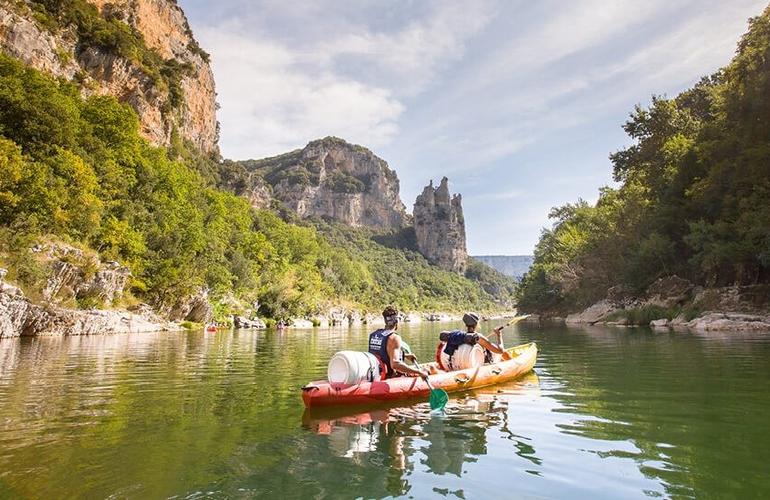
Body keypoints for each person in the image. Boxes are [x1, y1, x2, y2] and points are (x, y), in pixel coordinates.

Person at [369, 306, 429, 379]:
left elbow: (383, 353)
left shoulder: (374, 334)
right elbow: (395, 364)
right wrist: (419, 372)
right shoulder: (394, 338)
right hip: (392, 376)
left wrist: (405, 356)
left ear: (385, 320)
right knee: (430, 369)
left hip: (377, 373)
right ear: (397, 321)